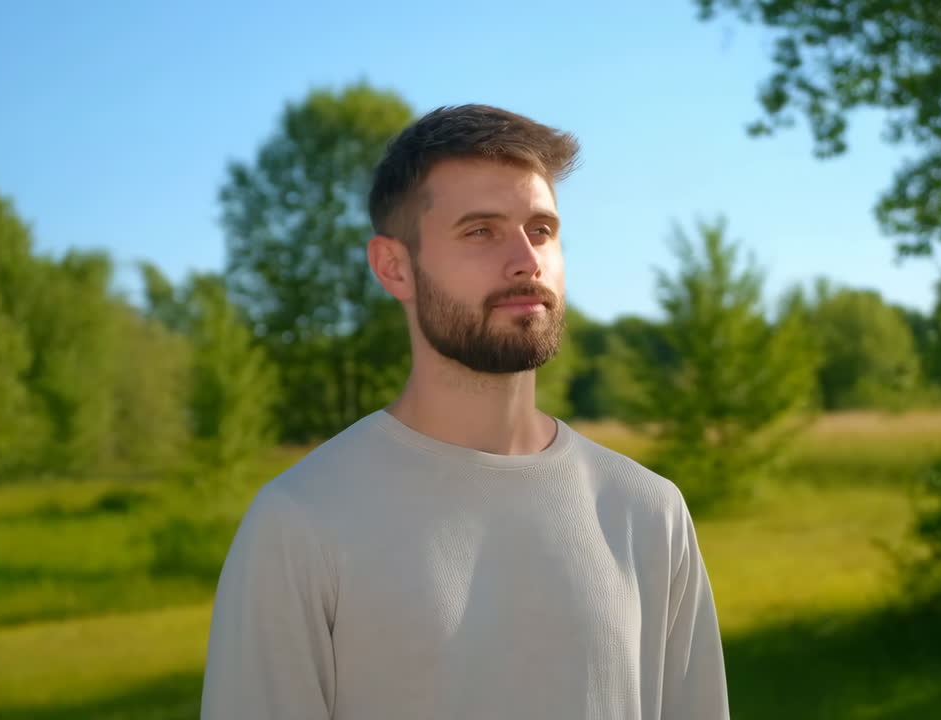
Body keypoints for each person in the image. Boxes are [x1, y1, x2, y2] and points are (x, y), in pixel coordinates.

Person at [200, 104, 729, 720]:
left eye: (541, 229)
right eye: (481, 231)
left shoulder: (649, 512)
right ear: (394, 267)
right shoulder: (301, 522)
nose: (526, 260)